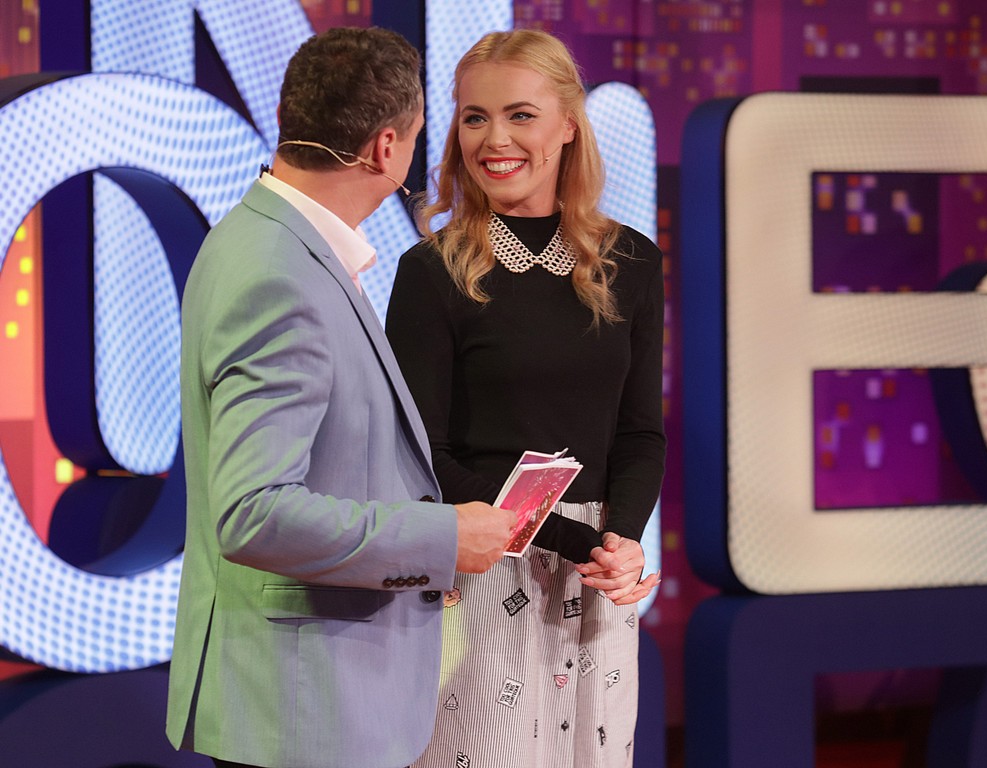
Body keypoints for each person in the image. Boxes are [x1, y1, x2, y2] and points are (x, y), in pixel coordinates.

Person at [165, 27, 515, 768]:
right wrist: (443, 538)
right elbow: (255, 512)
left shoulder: (265, 240)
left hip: (305, 704)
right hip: (305, 715)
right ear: (387, 148)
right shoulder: (278, 274)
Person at [385, 28, 665, 768]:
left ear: (568, 124)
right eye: (475, 117)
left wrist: (620, 542)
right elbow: (419, 453)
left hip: (598, 577)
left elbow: (640, 433)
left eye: (520, 115)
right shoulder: (431, 272)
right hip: (481, 571)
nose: (495, 139)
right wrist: (571, 541)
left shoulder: (632, 262)